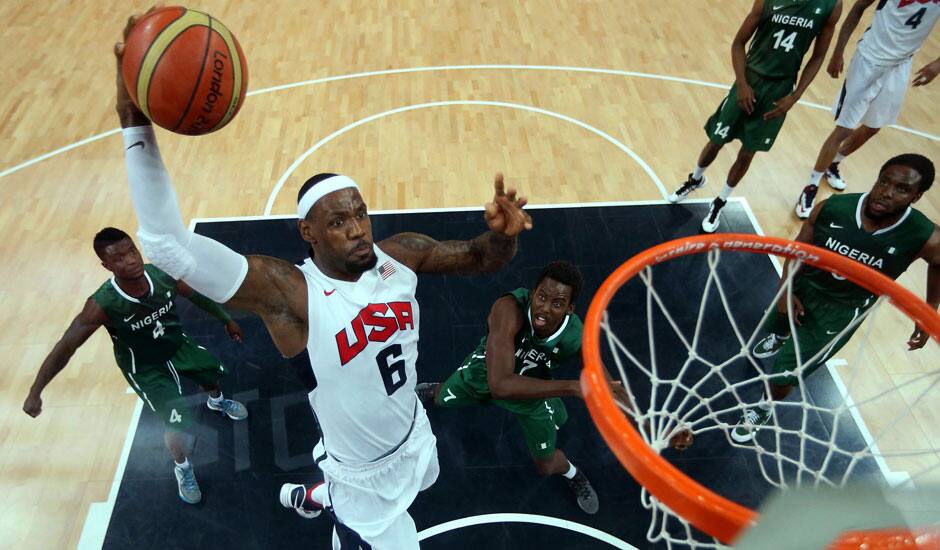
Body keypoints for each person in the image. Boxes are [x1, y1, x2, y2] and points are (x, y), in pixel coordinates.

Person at [114, 11, 533, 549]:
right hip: (360, 472)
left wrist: (504, 235)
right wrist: (133, 117)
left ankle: (313, 495)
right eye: (338, 222)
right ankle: (330, 501)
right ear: (307, 231)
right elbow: (168, 246)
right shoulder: (291, 294)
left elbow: (481, 258)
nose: (358, 230)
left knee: (421, 481)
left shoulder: (400, 256)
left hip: (414, 436)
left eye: (360, 213)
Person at [415, 261, 693, 515]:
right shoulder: (509, 308)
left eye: (558, 303)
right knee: (441, 397)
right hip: (486, 374)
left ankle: (573, 475)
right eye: (542, 297)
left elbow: (609, 388)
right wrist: (573, 387)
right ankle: (432, 390)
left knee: (546, 465)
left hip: (533, 394)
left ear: (570, 309)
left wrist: (652, 427)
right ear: (533, 293)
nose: (545, 308)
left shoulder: (575, 336)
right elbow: (499, 384)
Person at [22, 227, 246, 504]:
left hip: (176, 345)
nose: (130, 260)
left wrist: (226, 318)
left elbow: (195, 294)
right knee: (177, 424)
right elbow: (66, 346)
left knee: (212, 374)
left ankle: (217, 402)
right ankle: (183, 468)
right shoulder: (102, 304)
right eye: (119, 258)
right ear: (107, 266)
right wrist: (36, 391)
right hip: (146, 367)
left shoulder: (160, 275)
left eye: (132, 251)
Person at [736, 153, 939, 442]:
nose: (886, 192)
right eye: (884, 181)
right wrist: (786, 291)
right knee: (777, 324)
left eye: (902, 189)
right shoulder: (833, 207)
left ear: (916, 197)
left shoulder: (924, 235)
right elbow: (797, 250)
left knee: (784, 376)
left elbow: (939, 263)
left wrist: (928, 310)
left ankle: (764, 406)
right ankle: (780, 336)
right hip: (803, 286)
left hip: (841, 311)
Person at [668, 0, 841, 233]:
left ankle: (719, 202)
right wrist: (741, 83)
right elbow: (738, 43)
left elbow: (818, 57)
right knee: (716, 140)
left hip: (779, 89)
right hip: (750, 78)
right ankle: (695, 179)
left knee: (748, 151)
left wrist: (795, 95)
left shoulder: (831, 6)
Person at [795, 0, 940, 219]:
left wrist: (937, 64)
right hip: (868, 60)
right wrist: (838, 52)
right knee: (843, 128)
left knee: (873, 127)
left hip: (900, 64)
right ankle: (811, 185)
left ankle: (834, 163)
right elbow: (857, 9)